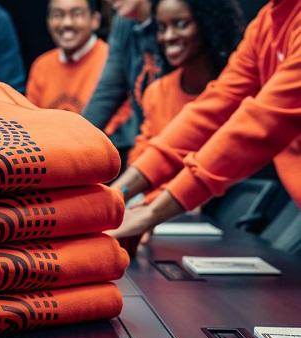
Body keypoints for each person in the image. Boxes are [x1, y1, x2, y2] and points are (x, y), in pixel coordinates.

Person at [109, 0, 301, 239]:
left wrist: (152, 212)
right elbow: (213, 108)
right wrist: (115, 194)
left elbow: (260, 124)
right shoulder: (267, 22)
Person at [126, 0, 243, 164]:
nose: (168, 36)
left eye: (181, 24)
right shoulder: (157, 92)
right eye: (162, 28)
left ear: (207, 23)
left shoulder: (238, 87)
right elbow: (140, 156)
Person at [26, 0, 130, 136]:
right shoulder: (41, 65)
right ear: (48, 21)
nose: (67, 23)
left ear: (95, 20)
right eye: (58, 15)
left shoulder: (111, 61)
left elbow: (121, 120)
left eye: (76, 14)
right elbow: (31, 123)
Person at [82, 0, 163, 167]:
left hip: (181, 145)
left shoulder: (175, 18)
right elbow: (107, 93)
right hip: (145, 146)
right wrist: (70, 140)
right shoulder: (123, 22)